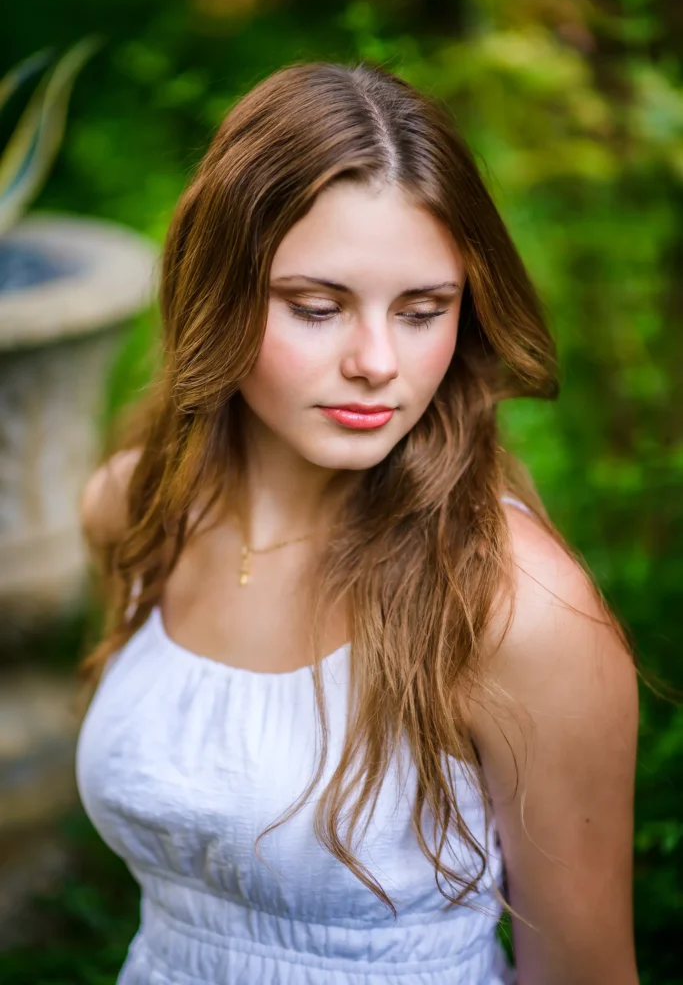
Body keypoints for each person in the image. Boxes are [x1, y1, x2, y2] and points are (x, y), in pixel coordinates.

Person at [75, 61, 640, 985]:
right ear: (215, 293)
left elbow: (584, 972)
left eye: (423, 311)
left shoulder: (517, 611)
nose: (378, 362)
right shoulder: (136, 511)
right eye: (316, 308)